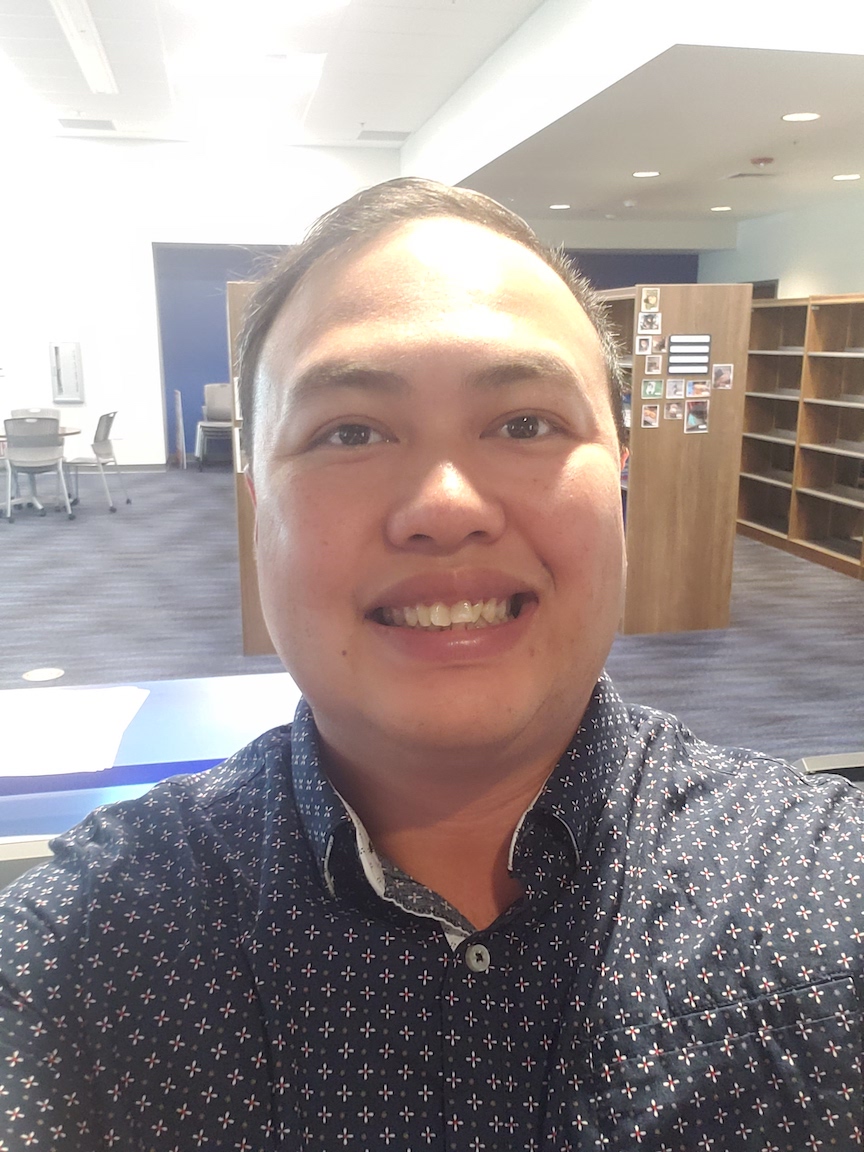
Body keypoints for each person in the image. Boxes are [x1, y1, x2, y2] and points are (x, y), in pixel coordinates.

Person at [1, 178, 863, 1152]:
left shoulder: (832, 896)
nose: (446, 506)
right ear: (257, 502)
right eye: (350, 432)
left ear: (620, 468)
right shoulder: (81, 958)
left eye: (525, 423)